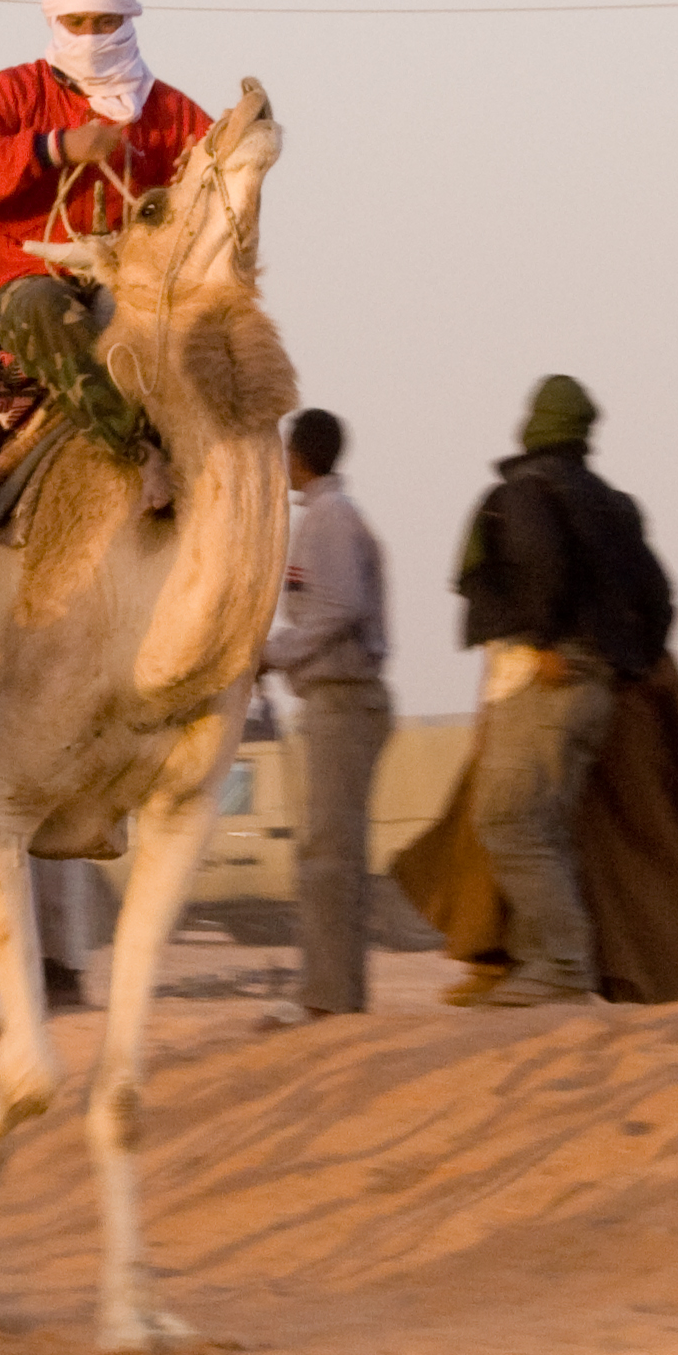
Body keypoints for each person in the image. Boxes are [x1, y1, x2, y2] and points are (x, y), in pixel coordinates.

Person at [450, 374, 674, 1008]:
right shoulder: (615, 505)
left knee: (507, 816)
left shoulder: (527, 492)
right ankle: (536, 968)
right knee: (546, 828)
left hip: (546, 673)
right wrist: (629, 664)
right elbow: (660, 599)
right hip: (596, 689)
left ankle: (562, 970)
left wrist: (546, 639)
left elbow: (538, 561)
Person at [0, 0, 212, 458]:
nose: (90, 36)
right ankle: (134, 450)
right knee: (46, 308)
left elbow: (214, 195)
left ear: (127, 22)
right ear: (55, 24)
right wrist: (52, 148)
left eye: (105, 23)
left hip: (130, 285)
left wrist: (219, 165)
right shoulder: (7, 94)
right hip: (24, 281)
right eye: (76, 23)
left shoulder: (169, 113)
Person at [262, 408, 392, 1018]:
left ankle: (329, 999)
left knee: (329, 854)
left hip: (342, 696)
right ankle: (334, 993)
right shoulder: (323, 518)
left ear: (302, 455)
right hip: (329, 697)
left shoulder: (331, 521)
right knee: (331, 850)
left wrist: (271, 653)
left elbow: (337, 607)